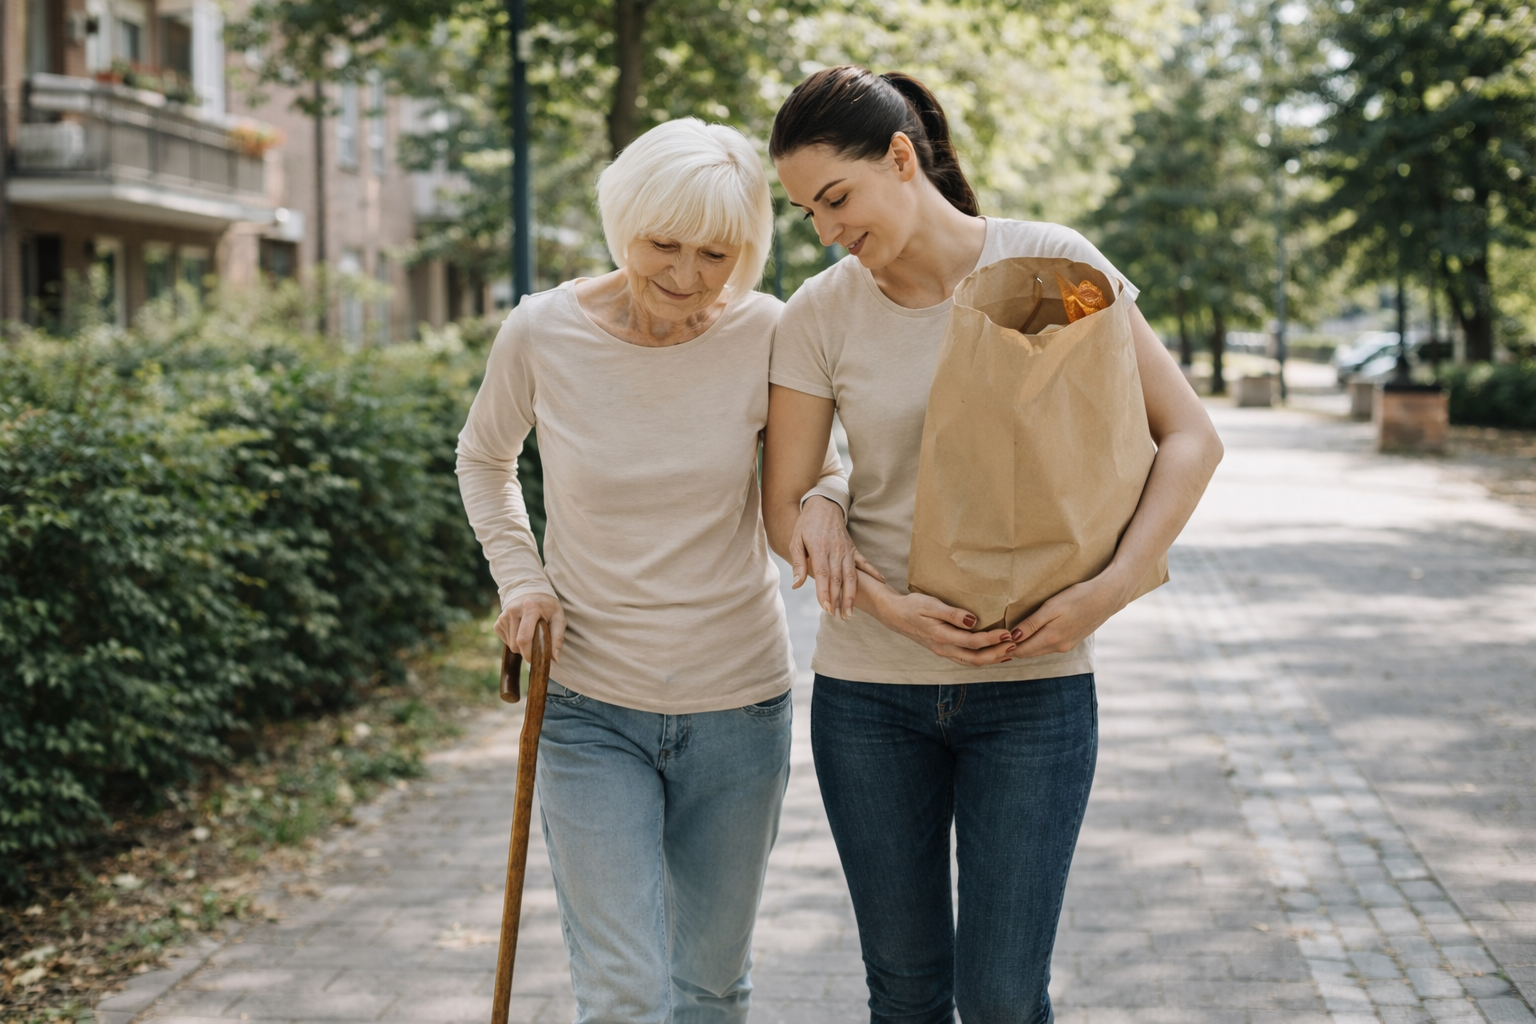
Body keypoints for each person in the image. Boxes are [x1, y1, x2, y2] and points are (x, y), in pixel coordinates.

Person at [762, 66, 1225, 1024]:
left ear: (901, 157)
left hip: (1035, 692)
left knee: (1006, 997)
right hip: (871, 699)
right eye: (807, 210)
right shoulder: (820, 312)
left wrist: (1112, 589)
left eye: (835, 197)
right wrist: (867, 574)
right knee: (906, 992)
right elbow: (783, 510)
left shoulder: (1048, 271)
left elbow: (1189, 436)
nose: (826, 229)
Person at [456, 117, 844, 1024]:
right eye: (662, 244)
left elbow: (815, 467)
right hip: (591, 706)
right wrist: (523, 579)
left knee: (710, 986)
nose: (686, 275)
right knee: (624, 992)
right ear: (620, 222)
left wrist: (825, 501)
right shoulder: (542, 331)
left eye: (717, 253)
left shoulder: (768, 333)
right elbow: (484, 459)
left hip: (737, 707)